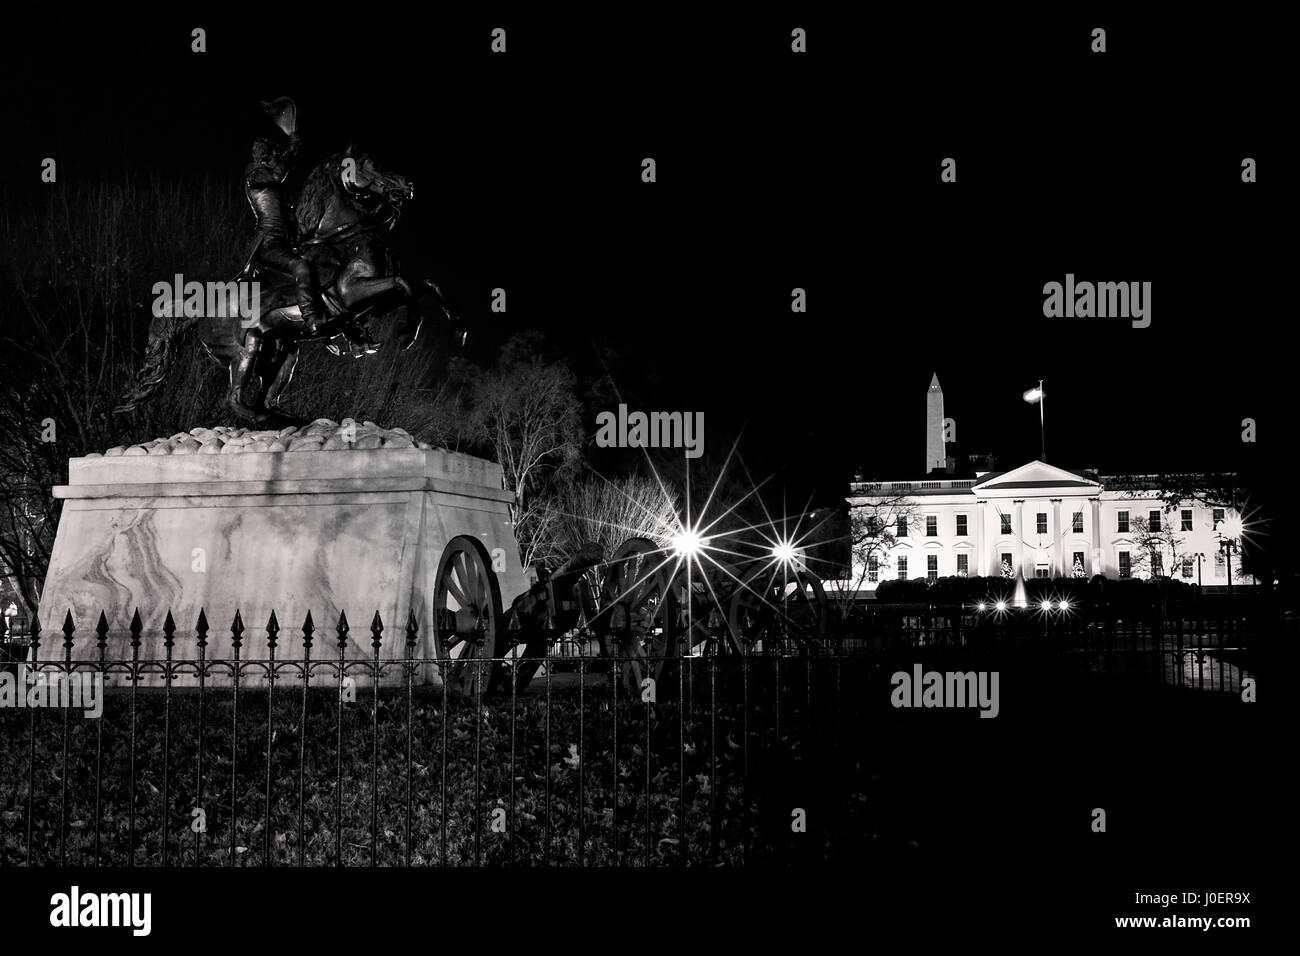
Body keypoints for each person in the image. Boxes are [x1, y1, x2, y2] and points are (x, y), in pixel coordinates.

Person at [242, 97, 325, 334]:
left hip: (284, 242)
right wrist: (292, 145)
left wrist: (292, 147)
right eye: (262, 152)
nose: (264, 155)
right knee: (301, 268)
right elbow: (279, 173)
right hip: (267, 243)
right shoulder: (254, 174)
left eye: (267, 152)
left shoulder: (271, 180)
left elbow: (281, 172)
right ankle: (311, 319)